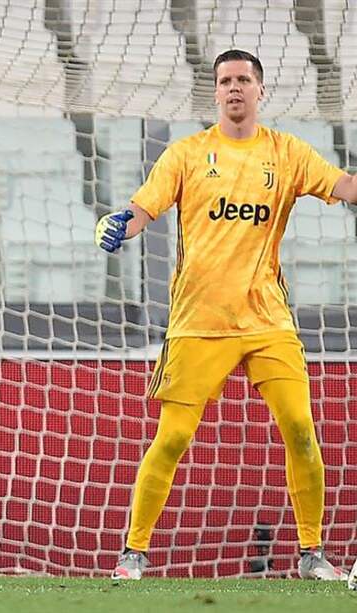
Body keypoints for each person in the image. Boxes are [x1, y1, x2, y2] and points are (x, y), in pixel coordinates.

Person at [95, 49, 357, 581]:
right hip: (197, 322)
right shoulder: (187, 154)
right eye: (225, 81)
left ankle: (312, 555)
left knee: (302, 430)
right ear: (215, 92)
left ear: (261, 90)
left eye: (243, 80)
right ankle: (133, 553)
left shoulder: (287, 153)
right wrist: (118, 224)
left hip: (268, 322)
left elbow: (344, 187)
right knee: (170, 438)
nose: (234, 88)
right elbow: (143, 209)